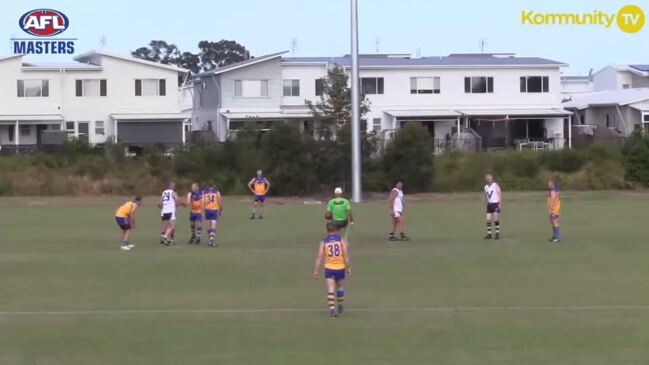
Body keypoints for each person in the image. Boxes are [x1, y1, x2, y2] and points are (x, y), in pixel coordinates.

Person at [313, 222, 351, 319]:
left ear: (327, 230)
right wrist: (348, 268)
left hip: (329, 267)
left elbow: (319, 257)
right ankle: (340, 305)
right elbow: (345, 256)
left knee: (330, 288)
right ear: (335, 230)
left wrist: (316, 271)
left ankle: (332, 311)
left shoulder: (324, 242)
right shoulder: (341, 240)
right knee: (340, 287)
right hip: (340, 267)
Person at [483, 174, 502, 240]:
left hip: (495, 204)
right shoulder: (485, 187)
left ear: (492, 179)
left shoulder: (495, 185)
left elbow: (499, 194)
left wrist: (500, 204)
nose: (489, 180)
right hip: (489, 204)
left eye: (490, 179)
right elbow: (485, 195)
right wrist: (484, 203)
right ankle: (489, 234)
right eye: (487, 179)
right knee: (488, 219)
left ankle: (497, 234)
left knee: (495, 219)